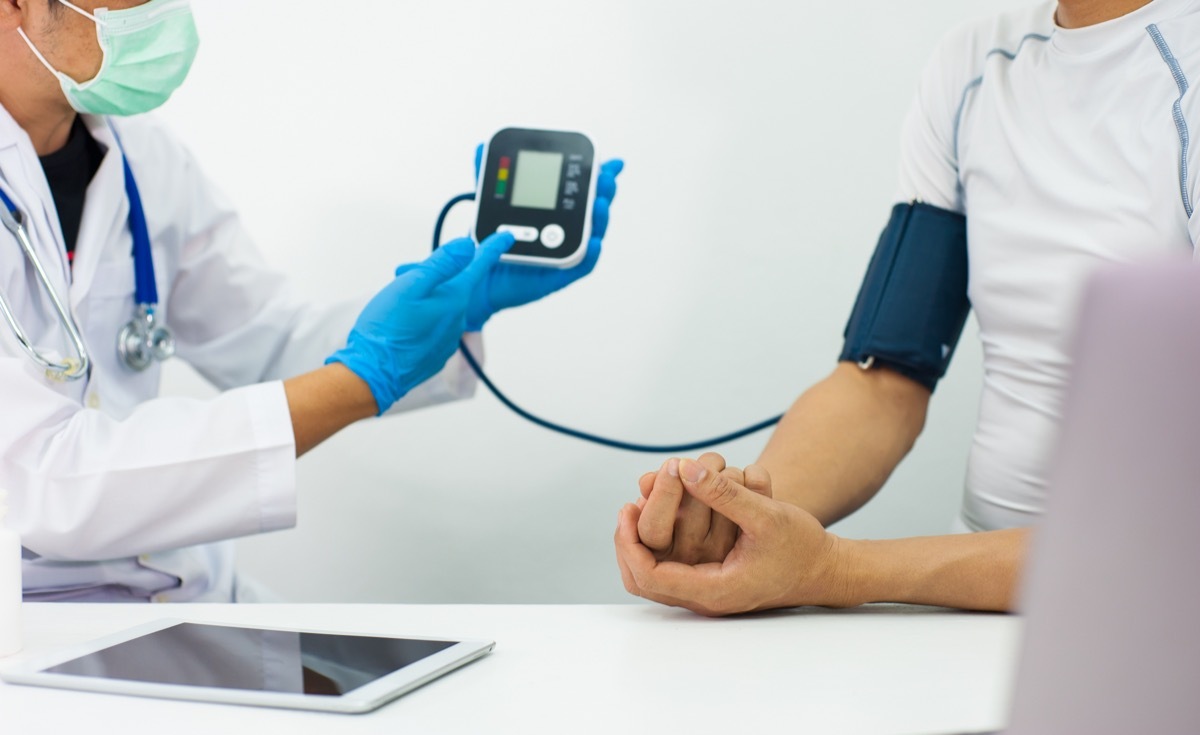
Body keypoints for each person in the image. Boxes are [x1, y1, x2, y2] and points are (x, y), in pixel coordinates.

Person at [0, 0, 622, 602]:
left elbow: (269, 339)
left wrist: (452, 306)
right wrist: (360, 379)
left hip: (184, 596)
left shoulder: (142, 155)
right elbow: (45, 482)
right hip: (31, 625)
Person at [615, 0, 1196, 616]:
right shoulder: (977, 65)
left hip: (1155, 619)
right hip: (978, 604)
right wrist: (743, 519)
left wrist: (834, 569)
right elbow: (883, 380)